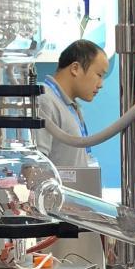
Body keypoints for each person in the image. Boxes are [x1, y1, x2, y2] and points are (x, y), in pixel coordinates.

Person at [34, 39, 110, 171]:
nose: (101, 84)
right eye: (99, 75)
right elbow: (35, 166)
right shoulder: (44, 99)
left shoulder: (70, 105)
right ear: (75, 68)